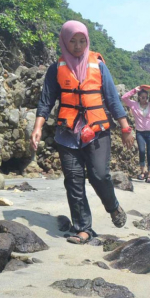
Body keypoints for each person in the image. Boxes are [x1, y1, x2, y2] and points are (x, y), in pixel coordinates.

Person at [30, 20, 133, 245]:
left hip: (97, 131)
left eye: (82, 41)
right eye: (72, 41)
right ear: (65, 42)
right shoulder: (57, 68)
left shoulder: (98, 66)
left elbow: (113, 99)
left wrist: (125, 128)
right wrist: (37, 127)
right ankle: (83, 228)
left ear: (87, 41)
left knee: (99, 175)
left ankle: (113, 207)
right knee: (74, 181)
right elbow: (46, 100)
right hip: (67, 134)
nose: (77, 46)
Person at [121, 87, 150, 183]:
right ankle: (142, 172)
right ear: (139, 97)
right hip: (140, 132)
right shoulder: (134, 105)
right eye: (142, 97)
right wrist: (134, 90)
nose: (145, 99)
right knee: (141, 150)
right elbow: (124, 98)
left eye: (146, 97)